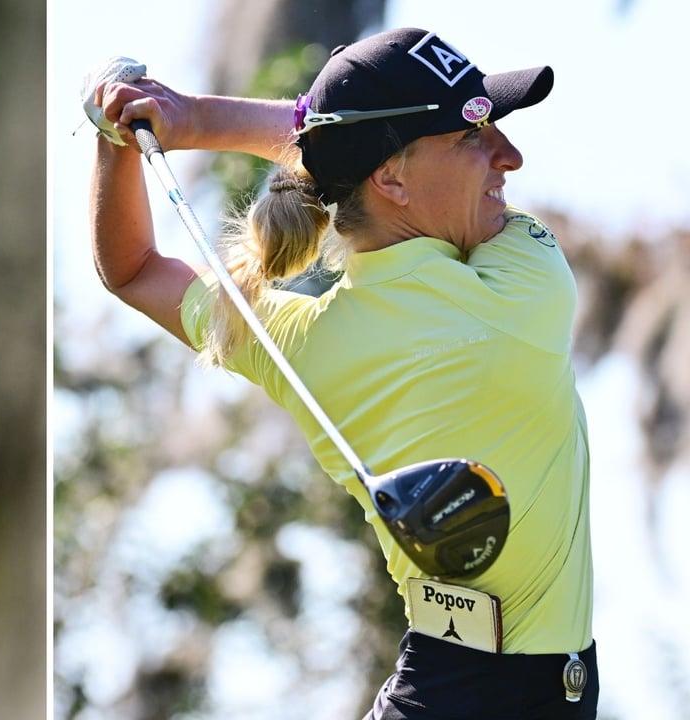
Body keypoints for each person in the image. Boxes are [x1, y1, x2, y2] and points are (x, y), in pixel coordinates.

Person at [85, 27, 597, 719]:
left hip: (437, 692)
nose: (510, 155)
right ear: (390, 177)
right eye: (473, 134)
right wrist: (199, 120)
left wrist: (121, 141)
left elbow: (135, 268)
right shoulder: (527, 277)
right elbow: (321, 151)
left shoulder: (297, 339)